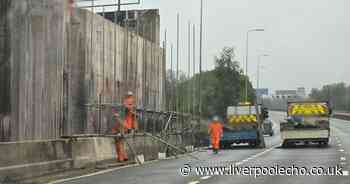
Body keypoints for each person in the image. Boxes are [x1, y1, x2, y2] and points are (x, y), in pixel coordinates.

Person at [111, 91, 139, 162]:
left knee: (119, 142)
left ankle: (121, 157)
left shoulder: (127, 102)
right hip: (123, 127)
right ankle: (124, 156)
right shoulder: (130, 102)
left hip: (121, 128)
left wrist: (131, 128)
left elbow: (122, 118)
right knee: (121, 142)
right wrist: (134, 128)